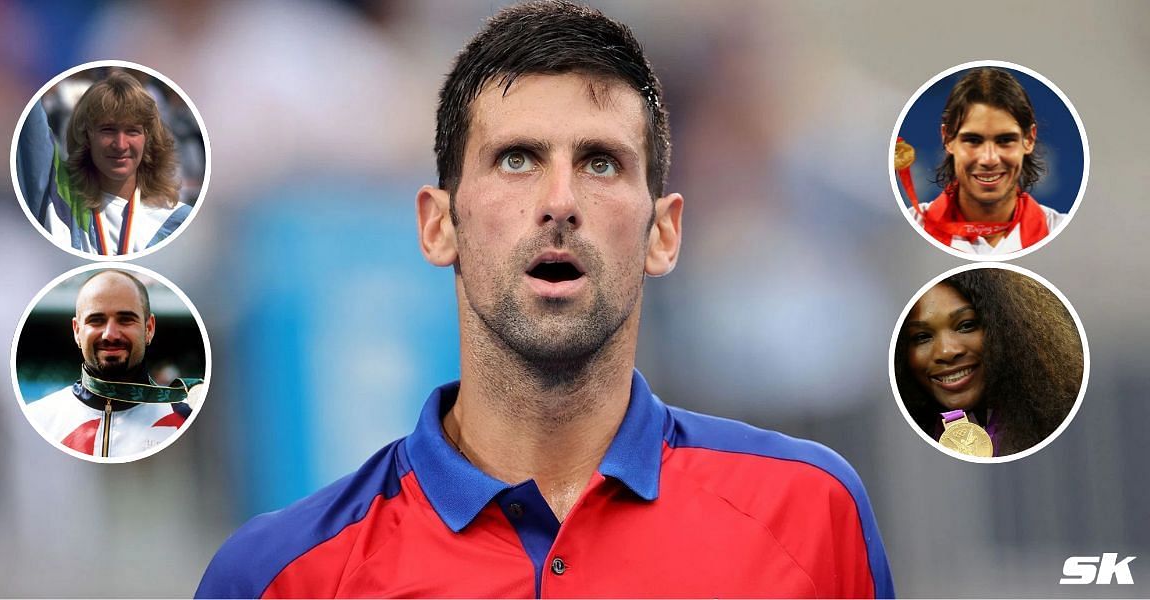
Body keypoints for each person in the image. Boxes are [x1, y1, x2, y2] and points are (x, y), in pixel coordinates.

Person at [198, 2, 893, 597]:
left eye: (600, 162)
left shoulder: (809, 511)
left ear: (664, 232)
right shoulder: (278, 576)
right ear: (440, 225)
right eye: (516, 159)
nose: (559, 203)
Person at [895, 269, 1082, 457]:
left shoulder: (1060, 427)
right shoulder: (909, 447)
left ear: (1008, 330)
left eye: (966, 326)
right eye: (922, 337)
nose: (946, 351)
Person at [24, 270, 200, 459]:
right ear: (77, 331)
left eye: (125, 320)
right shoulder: (38, 419)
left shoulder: (187, 420)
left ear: (149, 329)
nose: (110, 334)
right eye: (96, 321)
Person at [16, 70, 192, 255]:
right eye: (108, 130)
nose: (120, 145)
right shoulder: (56, 192)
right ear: (86, 135)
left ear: (148, 139)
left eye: (132, 131)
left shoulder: (177, 221)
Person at [906, 67, 1065, 255]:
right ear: (948, 139)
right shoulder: (909, 227)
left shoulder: (1059, 230)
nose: (989, 159)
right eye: (973, 140)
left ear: (1029, 140)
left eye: (1005, 140)